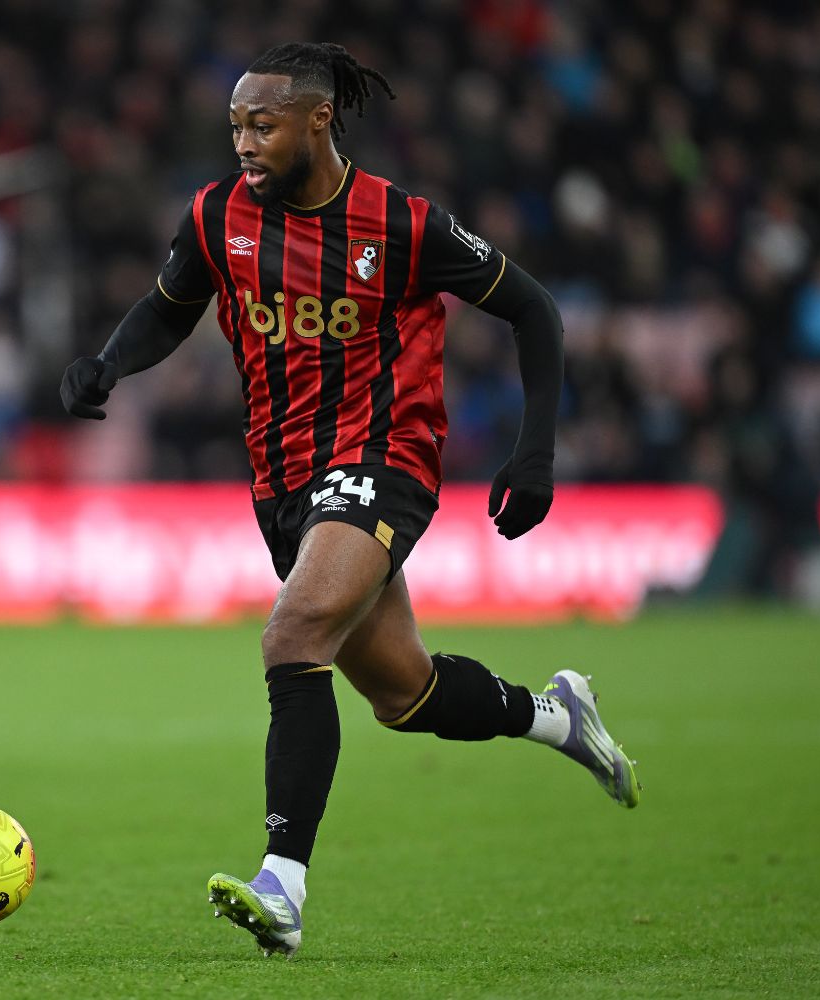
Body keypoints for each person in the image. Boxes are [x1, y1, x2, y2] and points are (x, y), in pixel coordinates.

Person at [61, 42, 640, 957]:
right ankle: (558, 715)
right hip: (281, 480)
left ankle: (281, 884)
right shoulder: (218, 217)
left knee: (291, 637)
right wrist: (110, 364)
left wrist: (535, 455)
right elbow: (171, 304)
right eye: (236, 126)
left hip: (384, 457)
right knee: (403, 695)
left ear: (318, 119)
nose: (245, 142)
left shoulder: (402, 225)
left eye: (263, 123)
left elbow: (536, 310)